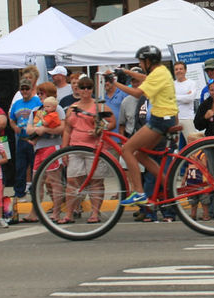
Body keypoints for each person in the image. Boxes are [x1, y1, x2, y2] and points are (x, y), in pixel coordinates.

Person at [120, 46, 178, 206]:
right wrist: (126, 73)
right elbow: (145, 78)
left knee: (126, 149)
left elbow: (138, 93)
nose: (140, 63)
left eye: (140, 61)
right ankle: (168, 183)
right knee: (139, 154)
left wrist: (114, 83)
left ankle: (139, 193)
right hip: (167, 118)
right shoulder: (162, 70)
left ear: (147, 61)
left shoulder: (158, 73)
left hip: (160, 119)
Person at [59, 77, 116, 223]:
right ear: (77, 89)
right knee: (72, 181)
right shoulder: (72, 108)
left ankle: (95, 214)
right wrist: (63, 150)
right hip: (75, 148)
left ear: (92, 89)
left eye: (88, 87)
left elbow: (112, 123)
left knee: (96, 181)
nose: (85, 90)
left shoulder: (99, 107)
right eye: (82, 87)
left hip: (94, 149)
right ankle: (69, 214)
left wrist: (99, 129)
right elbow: (67, 129)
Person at [24, 82, 66, 222]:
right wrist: (37, 130)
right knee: (37, 181)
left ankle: (56, 212)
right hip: (39, 148)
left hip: (52, 147)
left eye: (42, 93)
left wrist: (45, 130)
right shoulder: (36, 110)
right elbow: (28, 129)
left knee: (54, 181)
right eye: (39, 94)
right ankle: (34, 212)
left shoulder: (57, 108)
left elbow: (61, 128)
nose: (40, 96)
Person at [9, 77, 41, 199]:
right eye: (22, 89)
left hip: (33, 139)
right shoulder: (17, 104)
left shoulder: (37, 102)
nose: (24, 91)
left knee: (34, 167)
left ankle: (34, 191)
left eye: (27, 88)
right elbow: (11, 119)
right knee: (20, 167)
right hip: (21, 139)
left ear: (31, 89)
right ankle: (19, 192)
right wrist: (14, 127)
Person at [173, 61, 199, 145]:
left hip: (187, 117)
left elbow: (190, 98)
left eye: (181, 69)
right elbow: (169, 99)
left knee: (193, 144)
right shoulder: (171, 84)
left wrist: (175, 97)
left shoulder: (191, 83)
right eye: (176, 69)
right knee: (174, 145)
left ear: (185, 70)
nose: (179, 71)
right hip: (174, 118)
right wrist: (184, 96)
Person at [118, 68, 144, 138]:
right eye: (133, 81)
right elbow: (121, 124)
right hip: (131, 136)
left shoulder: (151, 99)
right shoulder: (125, 101)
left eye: (137, 81)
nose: (135, 84)